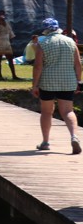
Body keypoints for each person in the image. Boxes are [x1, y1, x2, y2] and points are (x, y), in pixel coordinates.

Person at [30, 17, 82, 154]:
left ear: (45, 30)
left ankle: (45, 142)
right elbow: (78, 64)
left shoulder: (42, 43)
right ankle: (74, 136)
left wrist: (35, 85)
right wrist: (78, 81)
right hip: (68, 81)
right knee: (68, 111)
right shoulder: (70, 42)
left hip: (48, 82)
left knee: (47, 112)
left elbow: (38, 66)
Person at [0, 10, 19, 80]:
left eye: (3, 14)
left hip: (6, 43)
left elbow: (10, 32)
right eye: (0, 15)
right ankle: (0, 76)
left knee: (10, 59)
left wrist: (11, 42)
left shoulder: (7, 23)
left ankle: (14, 75)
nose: (2, 16)